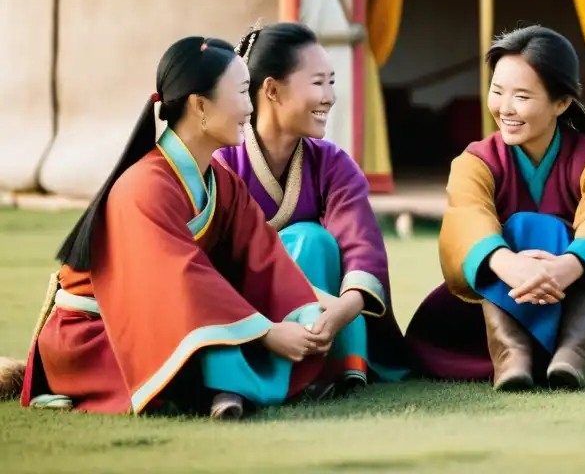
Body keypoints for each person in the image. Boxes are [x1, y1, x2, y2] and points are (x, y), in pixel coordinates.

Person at [13, 36, 359, 418]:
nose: (250, 107)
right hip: (100, 334)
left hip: (172, 317)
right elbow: (184, 278)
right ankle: (226, 388)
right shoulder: (142, 186)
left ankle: (231, 390)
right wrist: (268, 332)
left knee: (229, 330)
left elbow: (267, 259)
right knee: (206, 349)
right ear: (200, 106)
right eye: (243, 92)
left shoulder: (223, 183)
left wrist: (311, 316)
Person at [404, 25, 585, 390]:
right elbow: (467, 220)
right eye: (497, 91)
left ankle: (574, 351)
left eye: (521, 96)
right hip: (488, 312)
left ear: (561, 102)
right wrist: (508, 264)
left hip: (573, 297)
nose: (504, 108)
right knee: (517, 231)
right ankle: (510, 353)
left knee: (549, 232)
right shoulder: (475, 161)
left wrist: (567, 266)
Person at [215, 22, 408, 393]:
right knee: (307, 238)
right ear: (271, 89)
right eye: (319, 82)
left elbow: (361, 245)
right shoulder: (223, 162)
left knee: (314, 239)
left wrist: (343, 310)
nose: (330, 96)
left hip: (331, 318)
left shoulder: (332, 163)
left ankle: (334, 364)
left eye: (331, 82)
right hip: (253, 320)